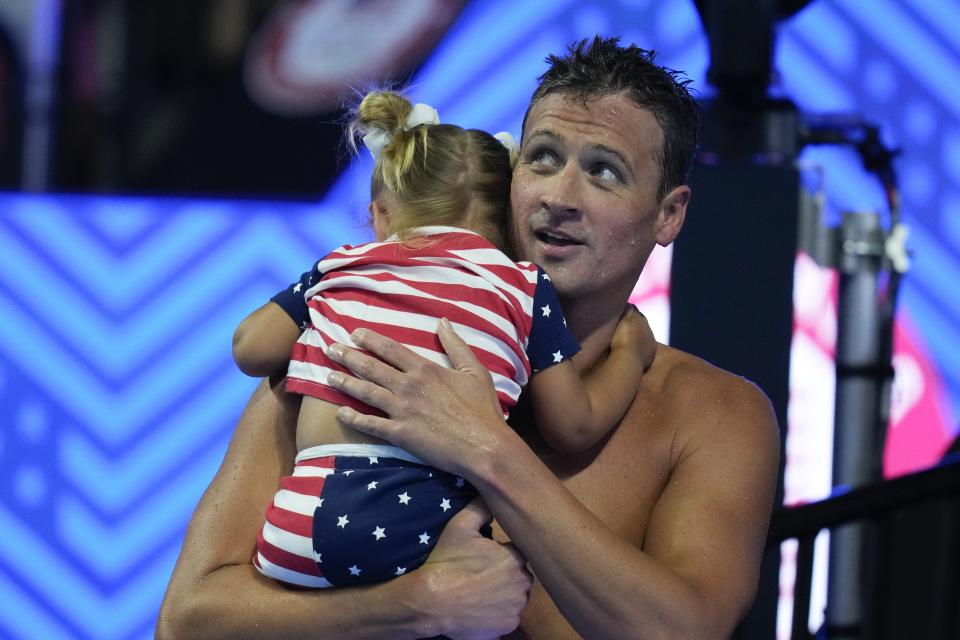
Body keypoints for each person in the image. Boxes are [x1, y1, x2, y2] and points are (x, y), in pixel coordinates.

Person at [157, 36, 780, 639]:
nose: (560, 198)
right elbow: (188, 620)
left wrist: (485, 448)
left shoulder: (714, 411)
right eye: (542, 158)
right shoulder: (357, 345)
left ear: (668, 214)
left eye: (604, 172)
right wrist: (413, 606)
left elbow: (682, 630)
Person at [231, 89, 653, 589]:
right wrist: (632, 352)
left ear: (381, 214)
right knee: (499, 596)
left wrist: (314, 289)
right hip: (423, 537)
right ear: (509, 225)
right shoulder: (520, 286)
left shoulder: (339, 266)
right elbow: (573, 427)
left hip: (295, 534)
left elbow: (250, 349)